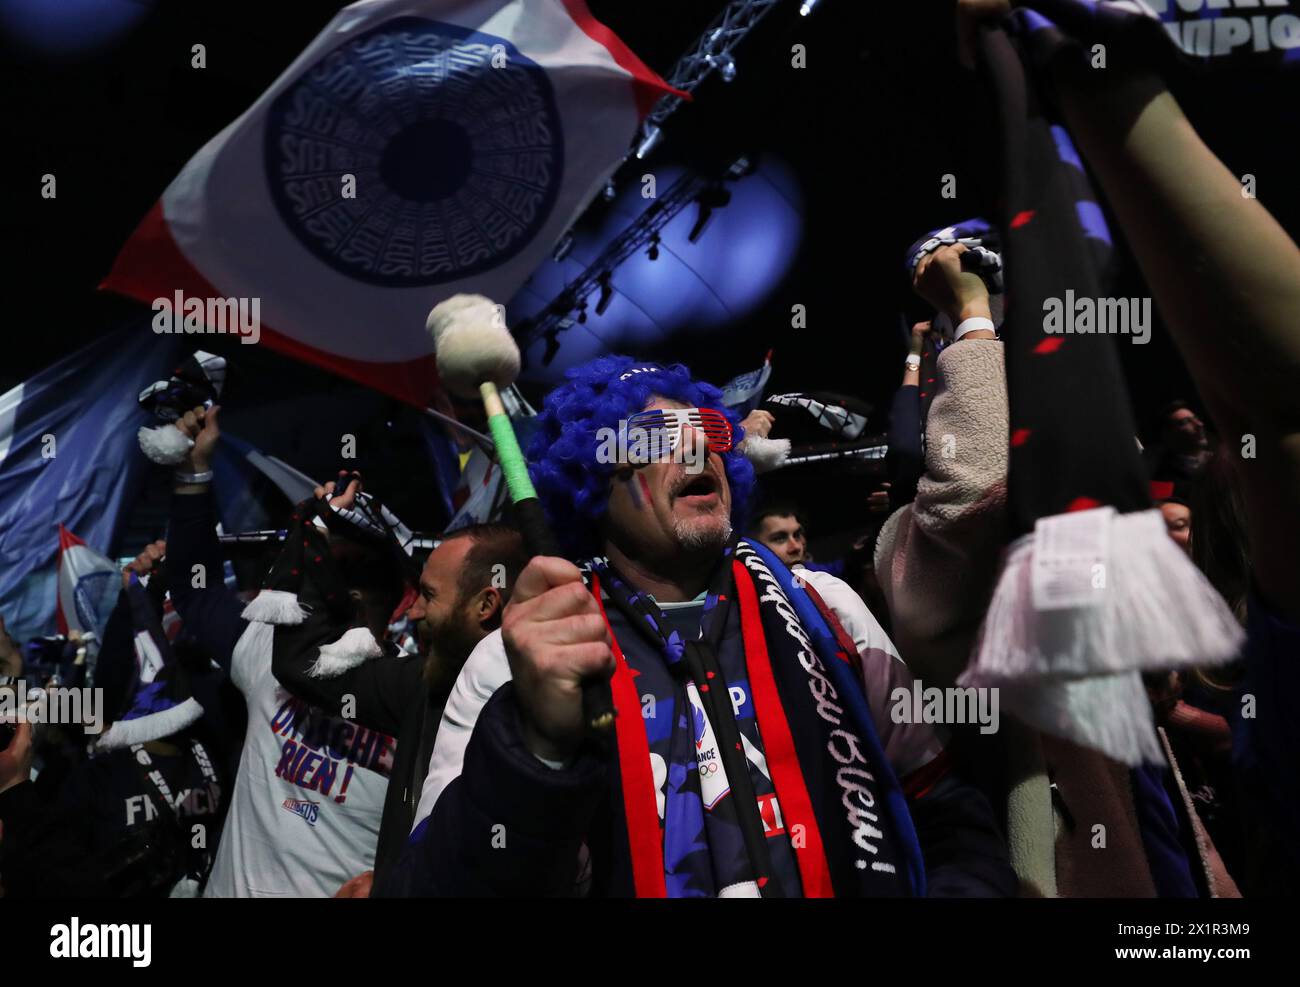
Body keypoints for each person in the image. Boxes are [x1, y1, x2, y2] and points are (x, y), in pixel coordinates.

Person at [399, 355, 1016, 897]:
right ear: (589, 481)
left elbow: (942, 810)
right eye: (652, 437)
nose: (694, 448)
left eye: (710, 430)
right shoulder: (518, 658)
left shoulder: (825, 608)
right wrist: (535, 752)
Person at [163, 405, 407, 897]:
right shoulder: (267, 653)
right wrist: (194, 473)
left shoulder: (420, 701)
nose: (295, 572)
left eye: (311, 560)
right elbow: (196, 592)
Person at [271, 475, 526, 897]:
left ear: (485, 605)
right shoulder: (421, 685)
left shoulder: (550, 710)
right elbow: (302, 663)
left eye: (429, 595)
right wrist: (317, 535)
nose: (417, 609)